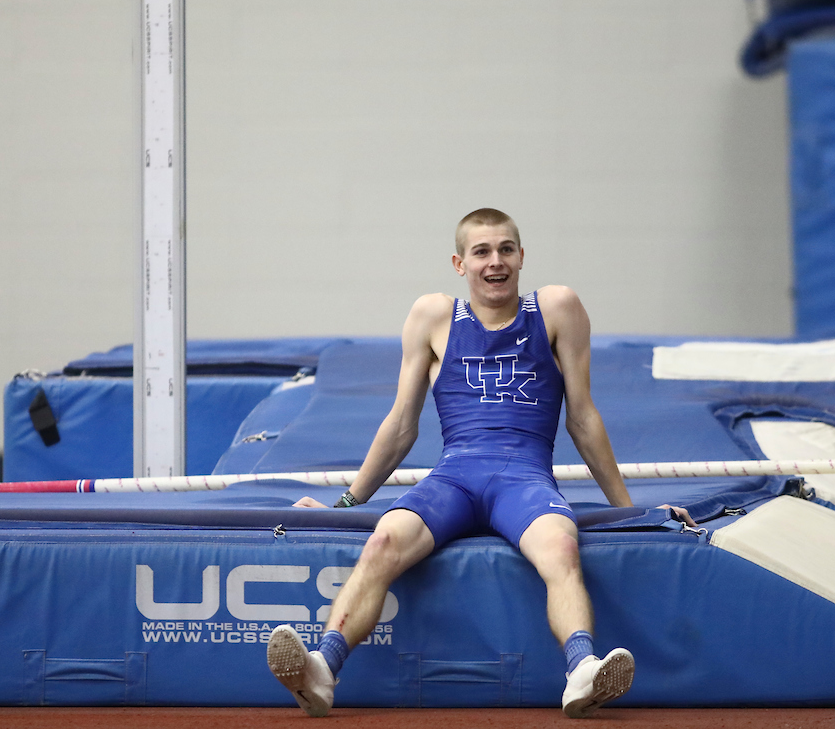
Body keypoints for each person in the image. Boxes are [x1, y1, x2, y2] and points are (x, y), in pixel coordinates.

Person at [266, 208, 694, 718]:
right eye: (482, 252)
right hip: (454, 478)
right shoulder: (433, 316)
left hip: (525, 479)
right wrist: (346, 503)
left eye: (506, 250)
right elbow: (402, 424)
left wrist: (629, 513)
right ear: (459, 263)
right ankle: (322, 669)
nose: (496, 262)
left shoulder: (556, 308)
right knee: (382, 540)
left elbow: (582, 418)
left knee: (560, 544)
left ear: (520, 257)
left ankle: (581, 670)